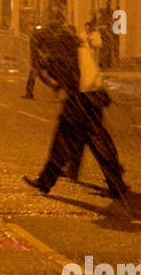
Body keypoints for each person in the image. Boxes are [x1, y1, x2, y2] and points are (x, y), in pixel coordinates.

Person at [22, 22, 128, 198]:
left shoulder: (59, 51)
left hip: (80, 101)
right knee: (93, 142)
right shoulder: (76, 45)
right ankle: (115, 181)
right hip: (91, 99)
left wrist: (51, 78)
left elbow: (62, 76)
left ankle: (47, 181)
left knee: (67, 143)